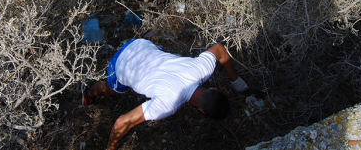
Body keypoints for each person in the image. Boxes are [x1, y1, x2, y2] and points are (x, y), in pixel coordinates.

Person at [82, 39, 251, 150]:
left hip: (140, 44)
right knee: (111, 90)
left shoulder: (202, 69)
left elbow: (219, 49)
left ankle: (90, 93)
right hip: (121, 63)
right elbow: (121, 122)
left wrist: (236, 81)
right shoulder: (168, 104)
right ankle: (89, 93)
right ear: (201, 110)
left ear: (213, 89)